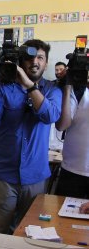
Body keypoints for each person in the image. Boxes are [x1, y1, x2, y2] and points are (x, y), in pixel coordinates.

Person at [0, 39, 62, 234]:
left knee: (31, 233)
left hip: (35, 176)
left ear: (46, 62)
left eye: (40, 58)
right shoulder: (4, 88)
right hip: (4, 176)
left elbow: (50, 115)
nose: (35, 62)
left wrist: (29, 86)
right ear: (21, 61)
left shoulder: (52, 89)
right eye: (31, 57)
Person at [54, 71, 89, 199]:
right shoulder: (79, 91)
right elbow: (62, 125)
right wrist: (68, 87)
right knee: (62, 217)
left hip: (73, 169)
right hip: (73, 171)